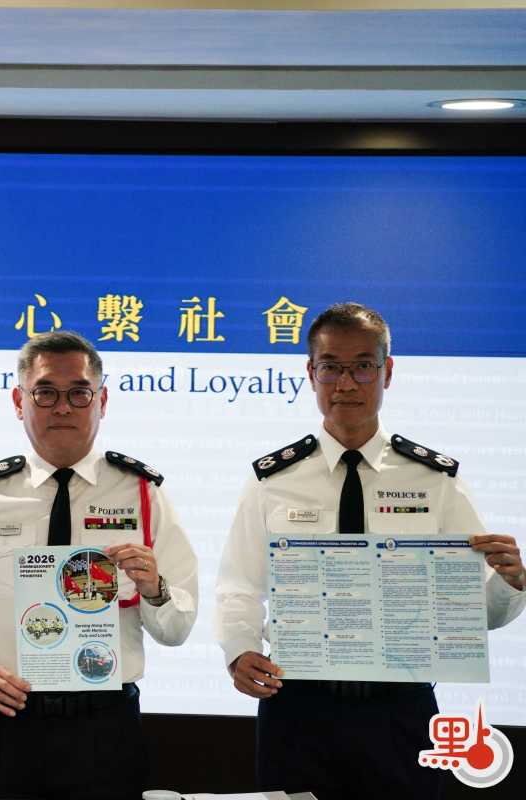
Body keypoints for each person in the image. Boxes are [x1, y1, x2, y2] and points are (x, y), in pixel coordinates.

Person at [215, 301, 526, 800]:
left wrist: (509, 584)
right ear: (310, 374)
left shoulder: (434, 480)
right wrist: (239, 651)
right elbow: (238, 585)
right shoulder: (273, 479)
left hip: (400, 708)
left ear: (388, 372)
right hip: (298, 707)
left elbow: (477, 612)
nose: (346, 383)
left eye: (363, 366)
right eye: (331, 367)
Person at [0, 330, 198, 800]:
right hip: (8, 720)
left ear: (102, 401)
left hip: (104, 726)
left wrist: (155, 588)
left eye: (79, 393)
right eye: (46, 393)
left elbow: (178, 629)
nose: (63, 408)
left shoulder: (143, 493)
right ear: (19, 401)